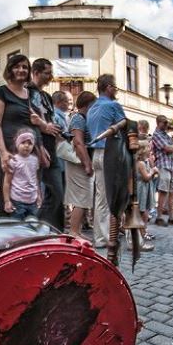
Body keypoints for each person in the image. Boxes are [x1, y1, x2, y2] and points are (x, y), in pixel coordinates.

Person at [0, 54, 35, 218]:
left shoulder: (31, 95)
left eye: (25, 67)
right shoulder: (1, 92)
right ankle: (0, 235)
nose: (21, 70)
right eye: (17, 66)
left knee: (25, 195)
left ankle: (20, 236)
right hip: (7, 149)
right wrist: (2, 153)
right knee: (8, 195)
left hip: (28, 151)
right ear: (10, 69)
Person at [86, 74, 126, 248]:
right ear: (109, 87)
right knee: (114, 197)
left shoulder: (92, 108)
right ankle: (111, 235)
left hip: (96, 154)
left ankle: (101, 237)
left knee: (101, 198)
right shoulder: (113, 105)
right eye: (115, 87)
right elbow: (125, 127)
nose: (116, 90)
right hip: (111, 153)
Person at [27, 58, 65, 231]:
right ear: (35, 72)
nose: (51, 77)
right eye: (47, 73)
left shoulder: (47, 96)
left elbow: (49, 120)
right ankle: (36, 228)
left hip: (51, 149)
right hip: (36, 147)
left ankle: (52, 231)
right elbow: (30, 119)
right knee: (33, 194)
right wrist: (44, 130)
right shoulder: (27, 91)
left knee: (57, 193)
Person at [66, 91, 96, 238]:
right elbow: (78, 142)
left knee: (83, 198)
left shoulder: (81, 118)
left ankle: (77, 230)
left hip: (80, 162)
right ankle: (73, 232)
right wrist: (87, 163)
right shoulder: (78, 118)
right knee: (81, 198)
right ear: (88, 105)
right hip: (79, 163)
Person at [3, 130, 42, 220]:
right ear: (17, 144)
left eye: (30, 143)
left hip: (32, 200)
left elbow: (35, 179)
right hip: (17, 200)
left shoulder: (35, 160)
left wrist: (39, 195)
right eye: (23, 142)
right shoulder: (13, 160)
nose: (26, 145)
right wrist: (7, 201)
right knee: (17, 227)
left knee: (32, 226)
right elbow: (7, 182)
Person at [151, 115, 173, 226]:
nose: (166, 124)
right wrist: (172, 147)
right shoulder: (156, 135)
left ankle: (171, 217)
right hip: (163, 165)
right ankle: (159, 217)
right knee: (163, 191)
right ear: (158, 122)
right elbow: (168, 148)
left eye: (166, 122)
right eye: (164, 122)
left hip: (171, 165)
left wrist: (172, 147)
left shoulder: (166, 135)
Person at [135, 142, 156, 250]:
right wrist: (152, 171)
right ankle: (141, 233)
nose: (150, 150)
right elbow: (146, 177)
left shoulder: (145, 161)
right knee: (142, 211)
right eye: (148, 148)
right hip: (141, 189)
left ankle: (143, 231)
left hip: (146, 188)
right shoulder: (140, 163)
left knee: (145, 211)